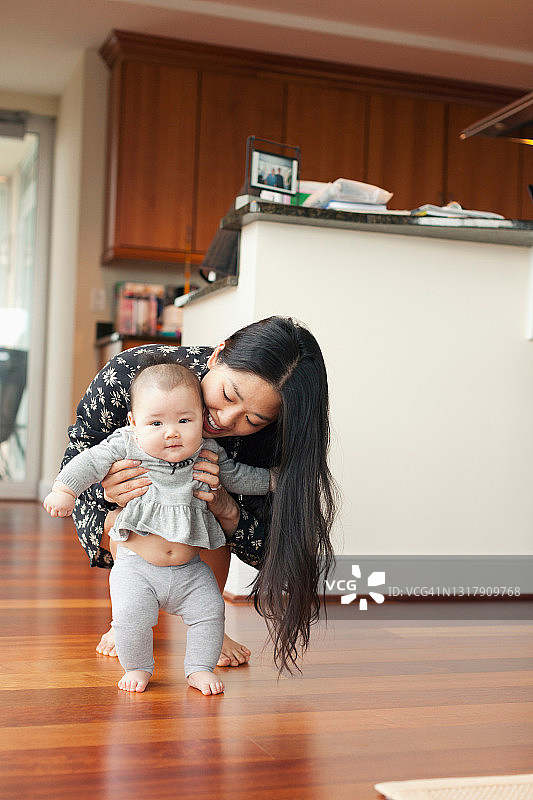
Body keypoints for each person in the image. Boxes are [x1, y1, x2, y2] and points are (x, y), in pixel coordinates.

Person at [63, 316, 337, 675]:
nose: (225, 419)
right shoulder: (133, 376)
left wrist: (226, 510)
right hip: (133, 527)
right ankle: (127, 620)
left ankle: (209, 626)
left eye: (252, 420)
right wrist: (108, 490)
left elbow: (276, 551)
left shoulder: (275, 439)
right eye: (226, 396)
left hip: (197, 538)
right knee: (123, 526)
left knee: (211, 515)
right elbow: (74, 468)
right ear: (217, 355)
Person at [45, 360, 272, 694]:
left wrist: (272, 480)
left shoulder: (207, 451)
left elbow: (239, 475)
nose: (172, 431)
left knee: (210, 613)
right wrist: (64, 490)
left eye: (184, 420)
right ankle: (137, 667)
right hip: (137, 566)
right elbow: (89, 461)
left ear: (200, 418)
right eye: (156, 422)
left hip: (191, 570)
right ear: (135, 423)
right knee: (131, 619)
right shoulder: (126, 443)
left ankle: (199, 668)